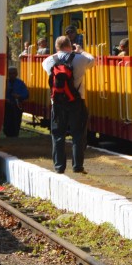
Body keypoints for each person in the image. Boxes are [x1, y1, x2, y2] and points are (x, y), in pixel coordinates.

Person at [42, 35, 94, 174]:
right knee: (78, 134)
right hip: (77, 101)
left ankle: (59, 167)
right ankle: (77, 166)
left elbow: (49, 74)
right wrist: (81, 50)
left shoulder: (48, 61)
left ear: (56, 47)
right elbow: (92, 61)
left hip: (57, 103)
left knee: (58, 134)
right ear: (70, 46)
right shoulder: (80, 58)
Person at [3, 66, 29, 137]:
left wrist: (19, 96)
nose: (12, 75)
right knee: (7, 123)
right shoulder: (4, 83)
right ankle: (8, 135)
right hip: (7, 107)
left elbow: (26, 94)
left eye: (13, 73)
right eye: (10, 73)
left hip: (16, 106)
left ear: (16, 74)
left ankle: (15, 135)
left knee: (16, 122)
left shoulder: (20, 83)